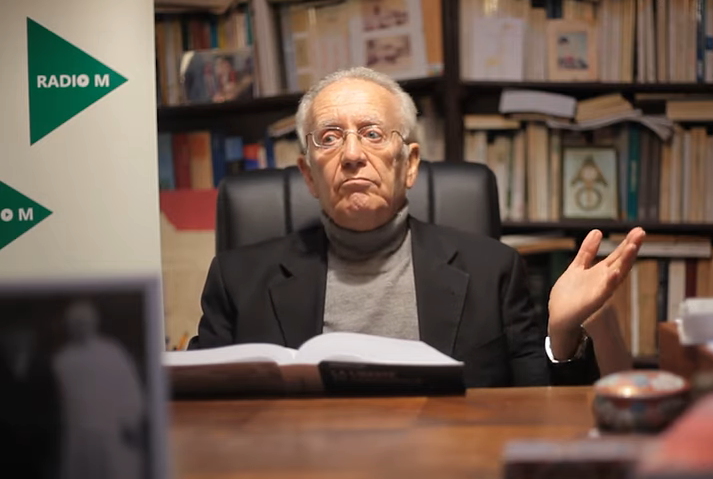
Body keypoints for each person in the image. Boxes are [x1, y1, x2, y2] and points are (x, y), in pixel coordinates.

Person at [192, 66, 645, 387]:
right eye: (329, 138)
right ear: (308, 175)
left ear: (409, 164)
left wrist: (563, 334)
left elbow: (540, 414)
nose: (352, 154)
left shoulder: (493, 271)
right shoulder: (238, 280)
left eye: (372, 133)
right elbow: (196, 414)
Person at [52, 300, 145, 479]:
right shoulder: (62, 360)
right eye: (77, 323)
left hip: (110, 433)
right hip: (77, 435)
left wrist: (131, 420)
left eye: (85, 322)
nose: (81, 327)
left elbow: (129, 389)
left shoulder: (112, 353)